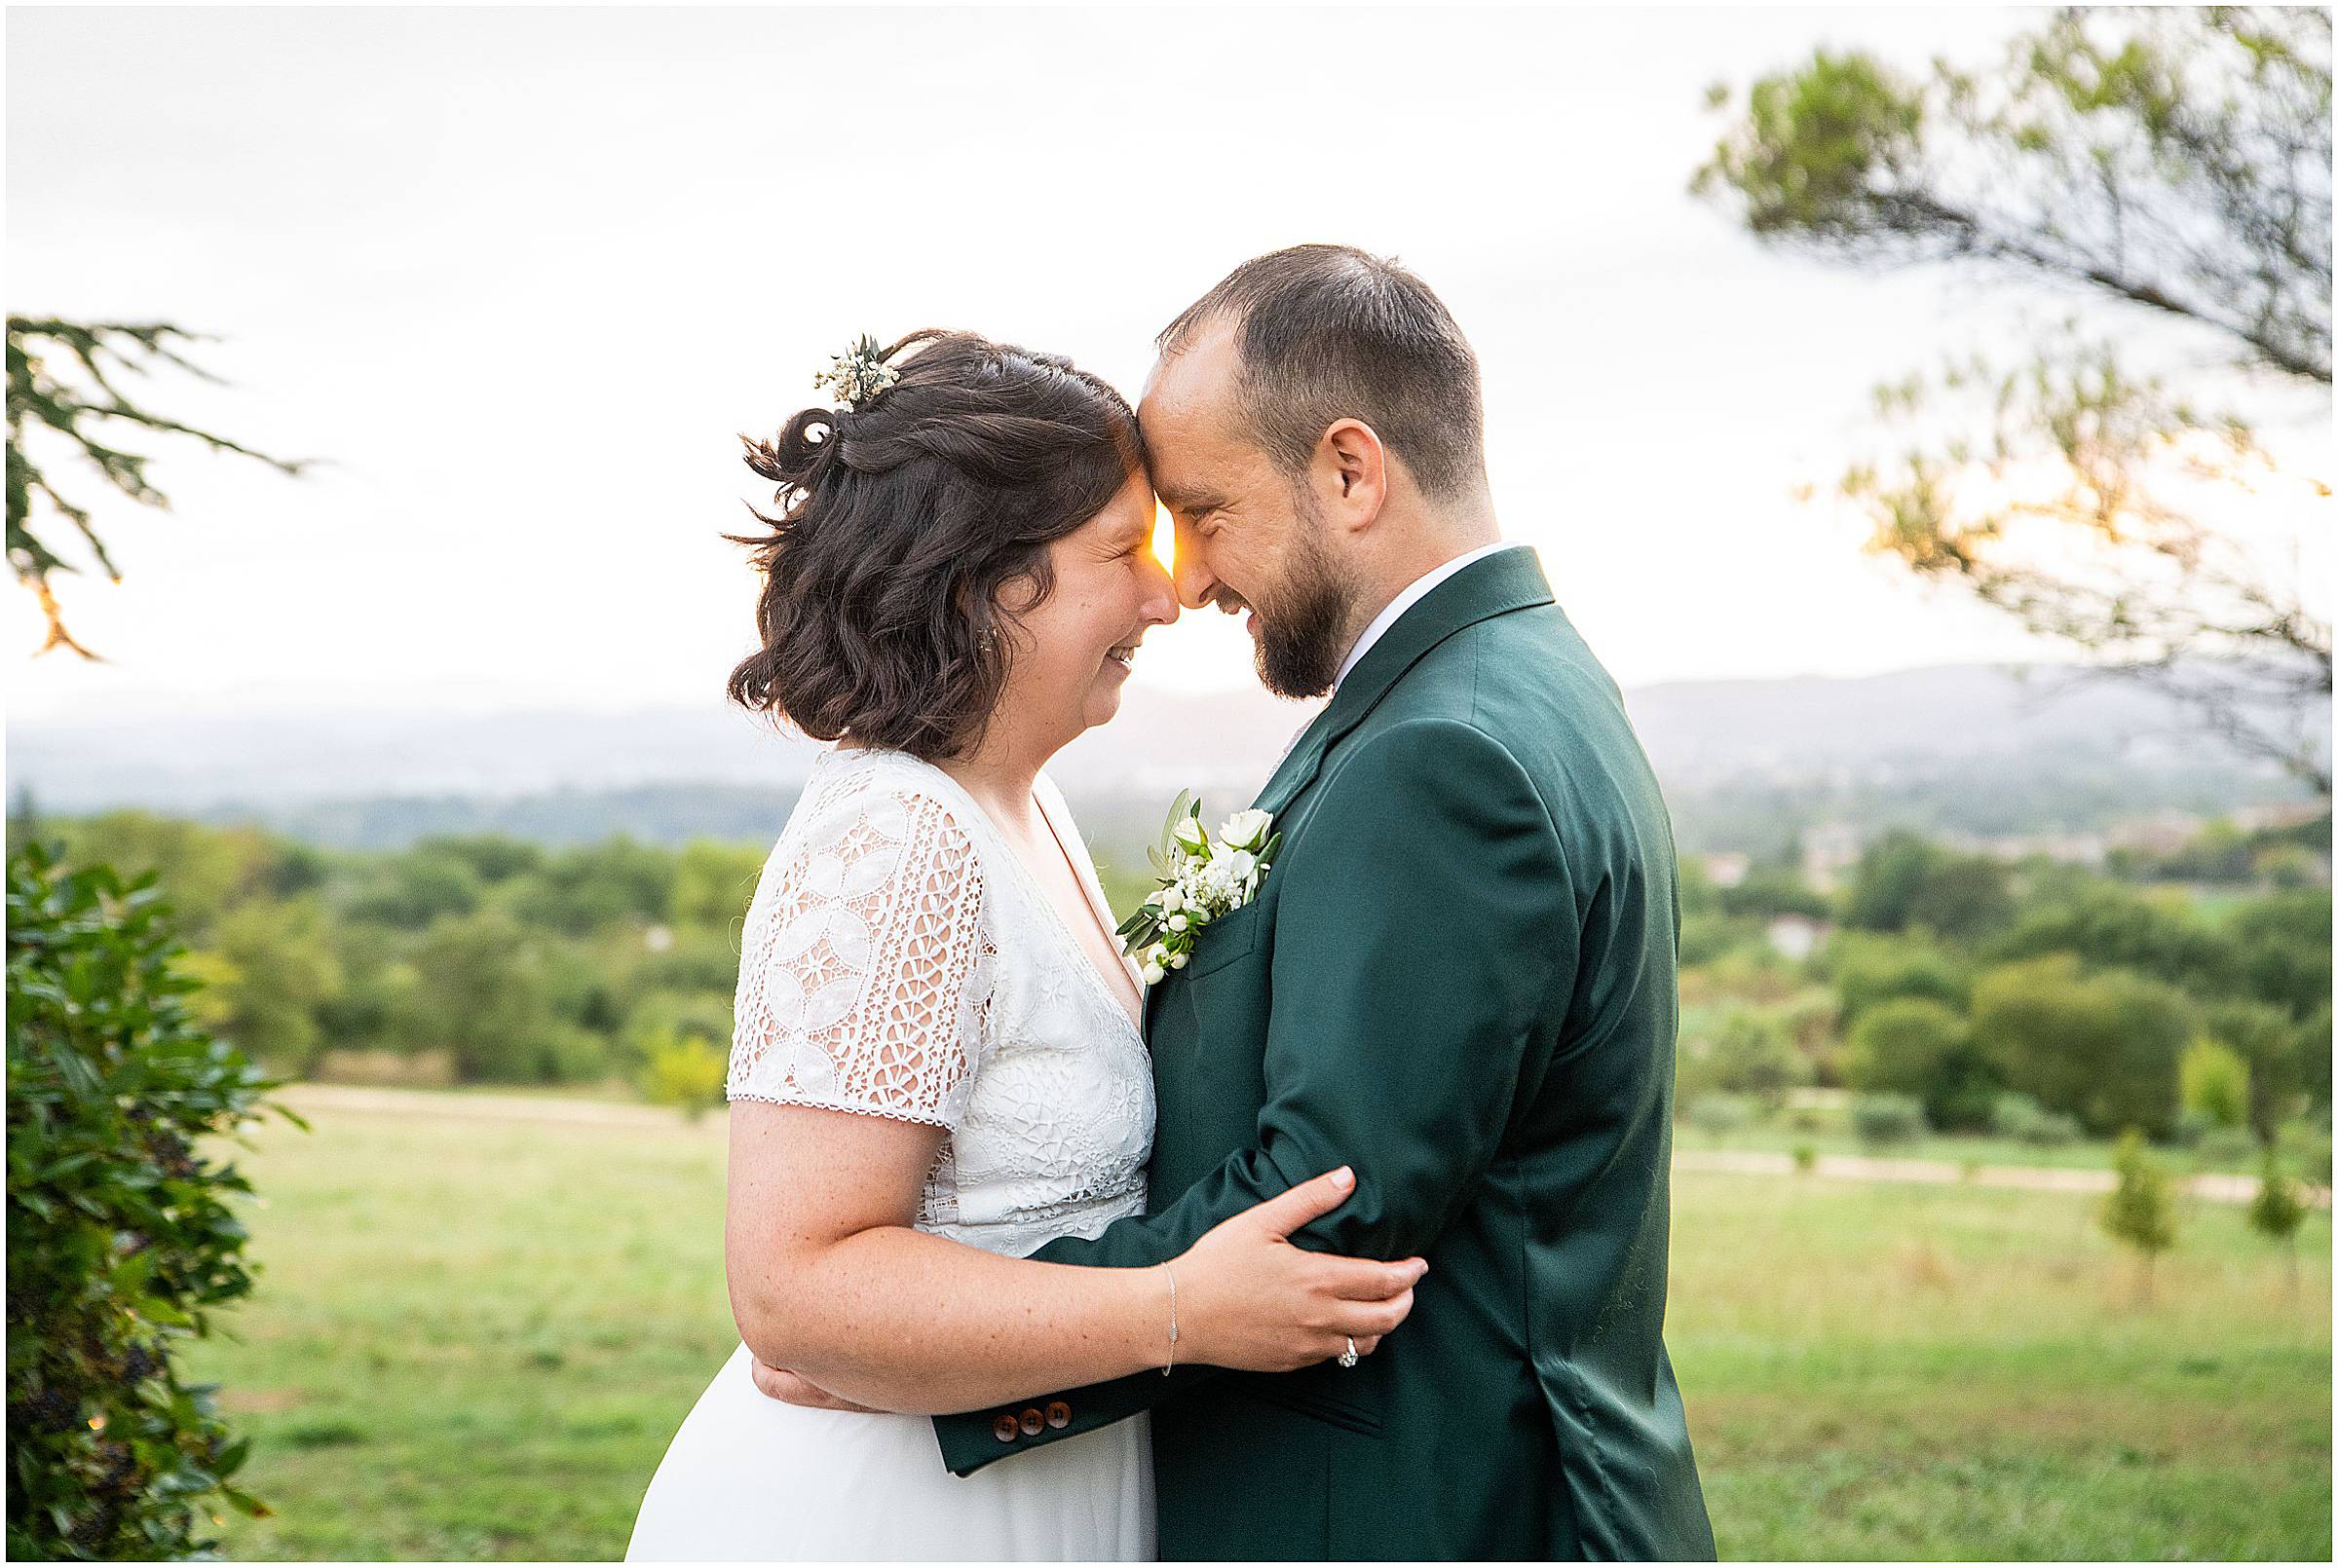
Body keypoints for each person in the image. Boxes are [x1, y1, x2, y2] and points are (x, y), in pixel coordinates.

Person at [754, 248, 1719, 1560]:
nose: (1189, 581)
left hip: (1430, 1510)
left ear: (1350, 471)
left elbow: (1331, 1200)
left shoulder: (1444, 751)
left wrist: (921, 1345)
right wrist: (872, 1320)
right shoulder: (1511, 682)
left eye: (1204, 511)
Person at [622, 328, 1424, 1562]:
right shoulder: (898, 837)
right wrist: (1177, 1308)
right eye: (1123, 551)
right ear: (984, 584)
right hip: (891, 1517)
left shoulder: (1019, 801)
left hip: (1035, 1480)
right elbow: (796, 1286)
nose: (1166, 596)